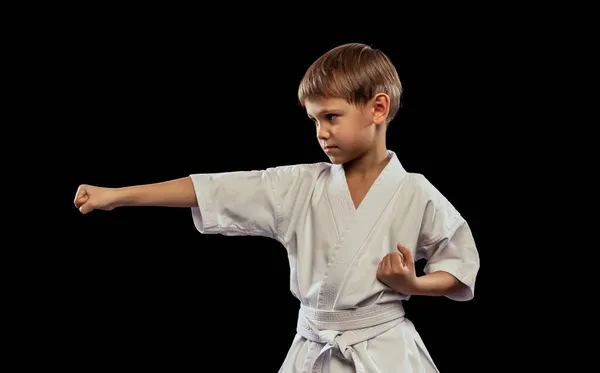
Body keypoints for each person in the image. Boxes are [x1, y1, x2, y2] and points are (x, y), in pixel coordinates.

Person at [74, 42, 480, 372]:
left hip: (385, 354)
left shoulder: (415, 192)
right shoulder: (300, 185)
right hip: (314, 351)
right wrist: (119, 194)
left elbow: (460, 269)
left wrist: (414, 285)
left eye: (331, 117)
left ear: (378, 108)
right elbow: (216, 189)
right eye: (313, 120)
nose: (321, 132)